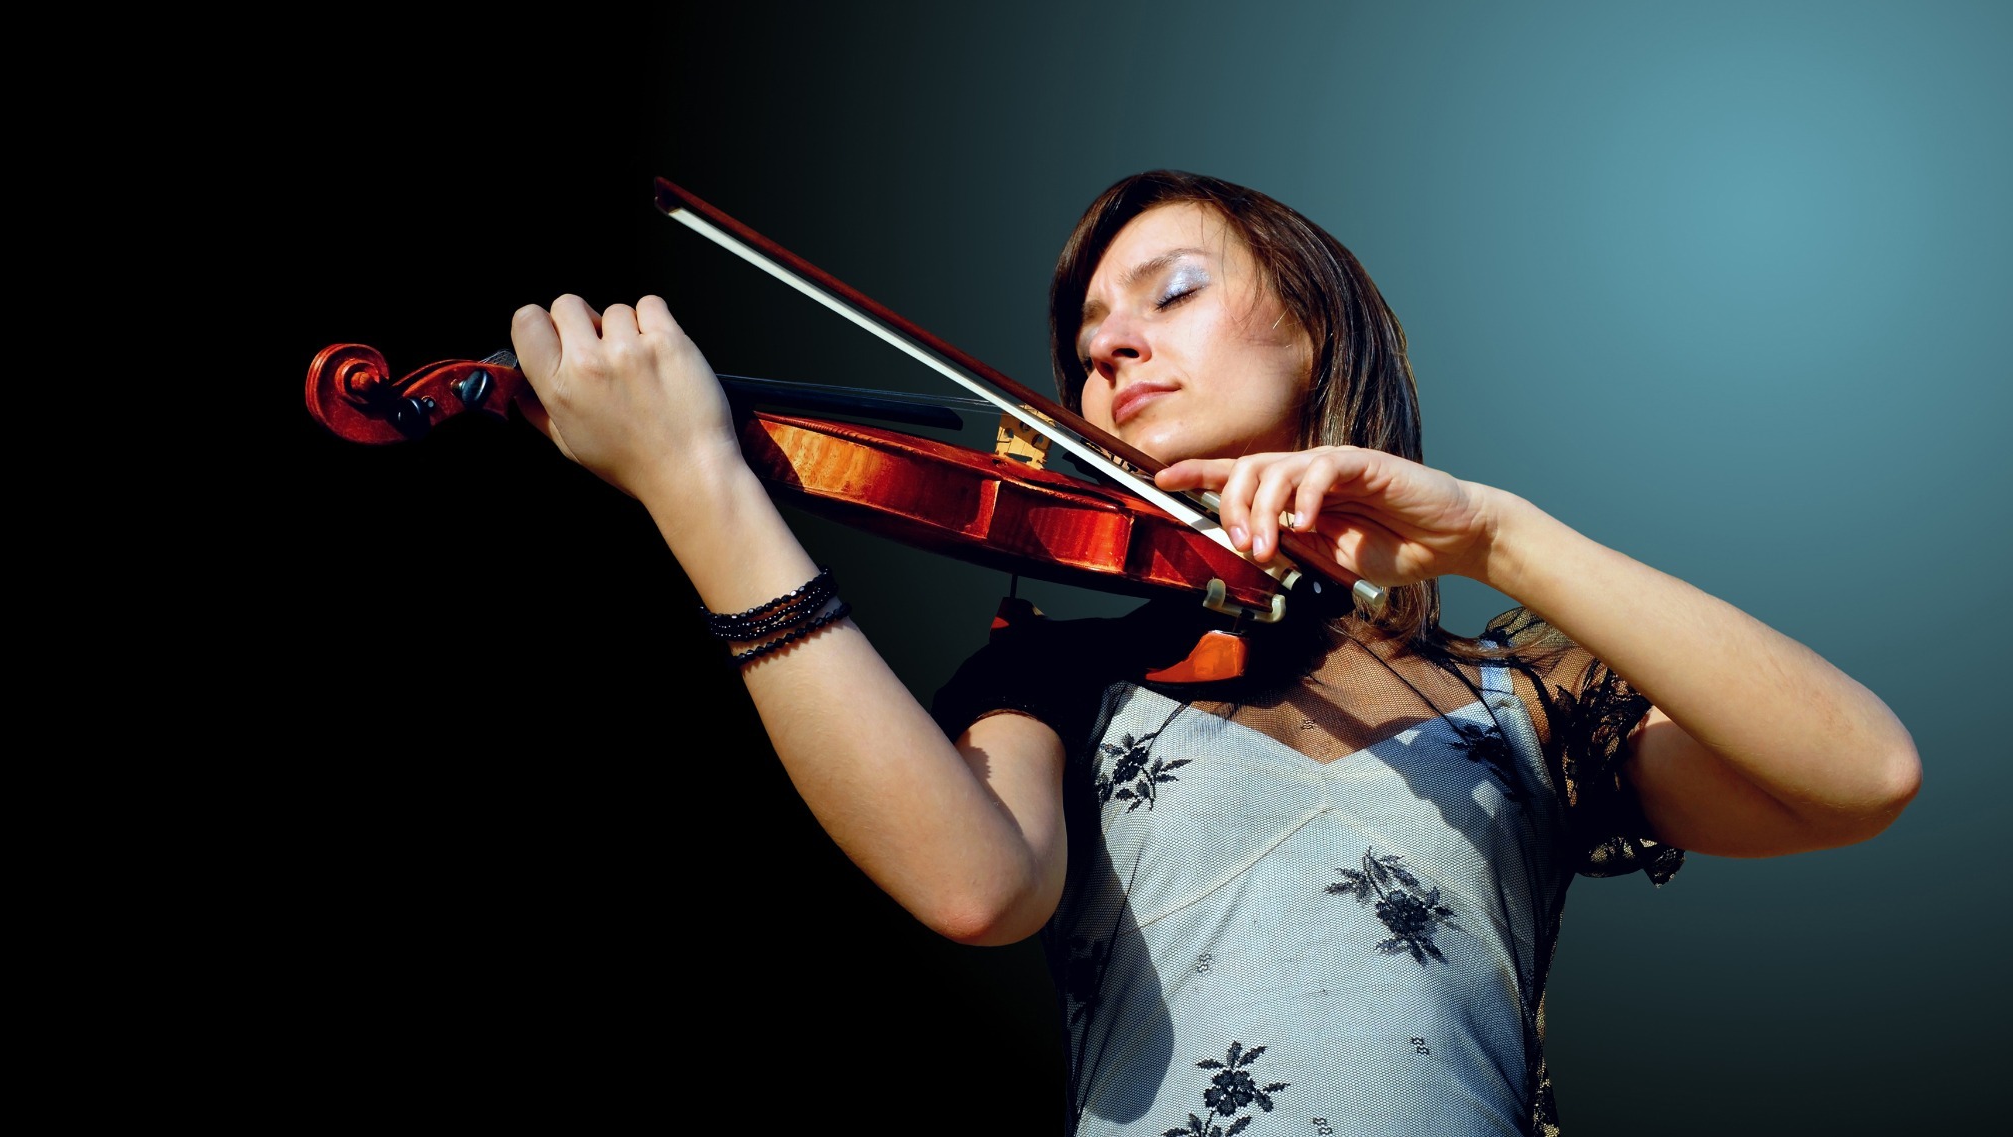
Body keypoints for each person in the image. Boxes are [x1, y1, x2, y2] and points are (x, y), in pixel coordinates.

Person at [505, 170, 1920, 1135]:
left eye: (1170, 293)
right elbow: (974, 885)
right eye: (1087, 342)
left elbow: (1861, 772)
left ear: (1315, 326)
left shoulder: (1524, 694)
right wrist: (698, 487)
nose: (1111, 351)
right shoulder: (1062, 675)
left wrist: (1495, 536)